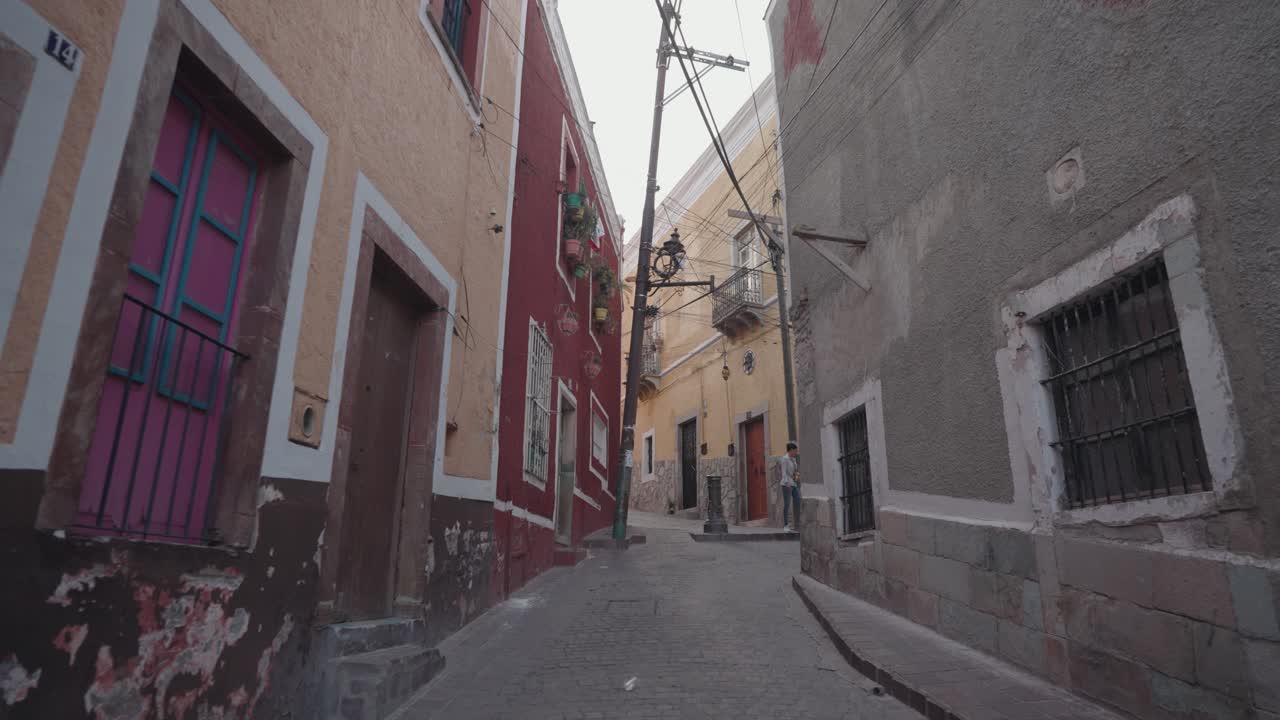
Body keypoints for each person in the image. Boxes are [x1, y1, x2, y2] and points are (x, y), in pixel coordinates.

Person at [780, 441, 800, 532]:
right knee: (787, 504)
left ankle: (797, 524)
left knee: (798, 501)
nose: (796, 452)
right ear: (791, 450)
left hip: (793, 483)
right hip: (786, 484)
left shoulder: (793, 459)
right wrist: (786, 483)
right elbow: (783, 472)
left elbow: (795, 470)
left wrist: (796, 477)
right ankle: (786, 525)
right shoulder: (785, 459)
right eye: (795, 450)